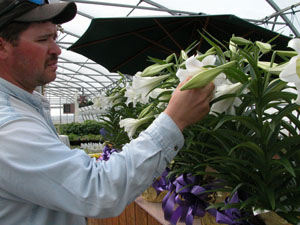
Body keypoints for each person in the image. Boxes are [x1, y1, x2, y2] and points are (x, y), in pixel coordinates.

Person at [0, 0, 215, 224]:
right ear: (2, 46)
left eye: (55, 38)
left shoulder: (25, 107)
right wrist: (174, 119)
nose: (57, 50)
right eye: (43, 39)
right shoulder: (8, 127)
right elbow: (98, 189)